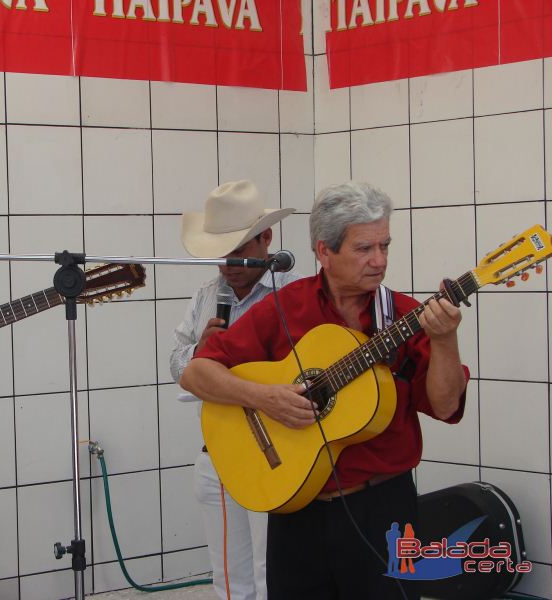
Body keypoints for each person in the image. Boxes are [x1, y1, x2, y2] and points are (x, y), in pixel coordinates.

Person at [181, 182, 468, 599]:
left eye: (384, 246)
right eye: (364, 249)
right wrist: (265, 398)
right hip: (297, 508)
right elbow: (197, 373)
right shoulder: (285, 306)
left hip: (382, 508)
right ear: (324, 252)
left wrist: (445, 339)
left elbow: (445, 405)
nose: (379, 260)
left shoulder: (405, 316)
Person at [170, 179, 300, 600]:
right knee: (228, 578)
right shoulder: (208, 294)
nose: (227, 262)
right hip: (217, 450)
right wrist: (199, 353)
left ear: (267, 239)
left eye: (239, 249)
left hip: (278, 450)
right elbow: (176, 363)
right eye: (220, 251)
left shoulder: (294, 295)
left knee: (274, 573)